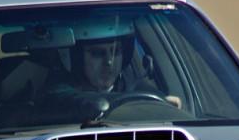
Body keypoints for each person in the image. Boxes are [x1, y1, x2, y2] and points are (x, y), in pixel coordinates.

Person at [42, 17, 181, 119]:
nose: (109, 62)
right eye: (97, 53)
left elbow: (173, 105)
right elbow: (62, 99)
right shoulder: (55, 99)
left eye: (116, 51)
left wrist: (163, 104)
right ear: (74, 58)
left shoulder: (138, 88)